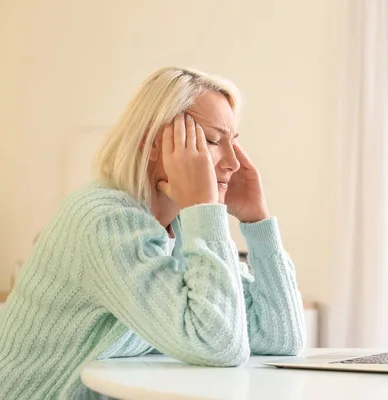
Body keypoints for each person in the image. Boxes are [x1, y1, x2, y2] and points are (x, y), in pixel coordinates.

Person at [0, 67, 306, 399]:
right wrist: (204, 211)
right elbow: (218, 346)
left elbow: (282, 338)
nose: (233, 162)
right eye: (214, 140)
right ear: (152, 142)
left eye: (234, 143)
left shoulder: (180, 229)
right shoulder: (103, 220)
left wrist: (257, 220)